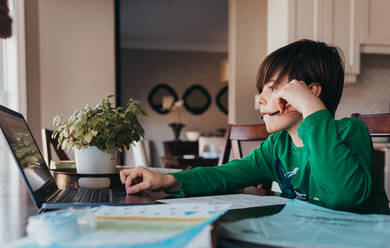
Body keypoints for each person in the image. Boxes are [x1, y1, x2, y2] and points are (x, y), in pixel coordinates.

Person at [120, 39, 389, 214]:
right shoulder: (277, 146)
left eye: (272, 88)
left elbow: (344, 197)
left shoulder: (350, 132)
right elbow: (224, 174)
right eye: (262, 90)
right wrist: (169, 179)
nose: (260, 98)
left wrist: (313, 110)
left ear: (310, 93)